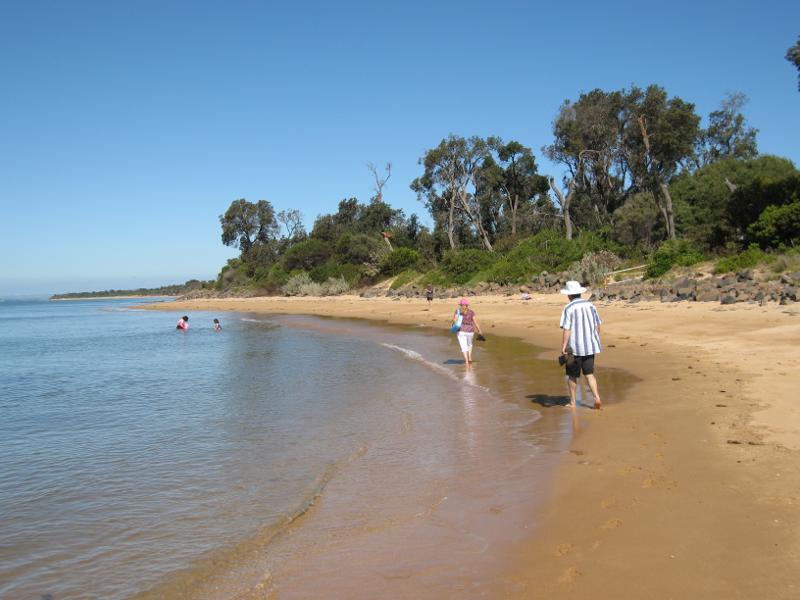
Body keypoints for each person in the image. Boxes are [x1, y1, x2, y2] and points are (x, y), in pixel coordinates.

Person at [559, 281, 602, 409]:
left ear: (569, 295)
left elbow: (567, 329)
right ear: (579, 293)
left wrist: (563, 346)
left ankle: (573, 402)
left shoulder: (569, 308)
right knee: (589, 374)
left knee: (572, 376)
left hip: (574, 348)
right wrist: (594, 338)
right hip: (590, 346)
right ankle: (597, 397)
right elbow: (598, 325)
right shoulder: (591, 305)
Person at [452, 298, 483, 367]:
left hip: (461, 331)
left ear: (460, 305)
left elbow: (454, 320)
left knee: (463, 347)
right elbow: (476, 322)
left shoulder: (458, 311)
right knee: (469, 344)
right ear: (467, 305)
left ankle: (466, 361)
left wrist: (456, 325)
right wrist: (479, 330)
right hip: (470, 331)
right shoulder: (471, 312)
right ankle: (470, 358)